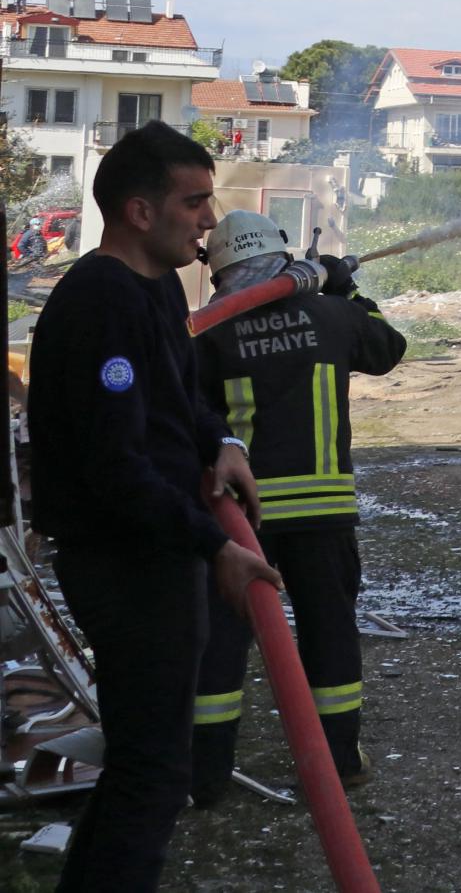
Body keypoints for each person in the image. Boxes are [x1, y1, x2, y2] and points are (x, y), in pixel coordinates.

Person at [25, 123, 279, 892]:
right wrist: (215, 545)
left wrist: (222, 439)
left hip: (161, 554)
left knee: (149, 766)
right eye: (194, 201)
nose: (209, 220)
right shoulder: (100, 301)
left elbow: (181, 399)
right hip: (125, 563)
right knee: (156, 769)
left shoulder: (160, 286)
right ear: (140, 211)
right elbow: (117, 466)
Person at [190, 210, 406, 801]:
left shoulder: (208, 332)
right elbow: (389, 347)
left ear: (221, 270)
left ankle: (204, 777)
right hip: (323, 514)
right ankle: (338, 766)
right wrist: (346, 287)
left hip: (240, 520)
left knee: (221, 645)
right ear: (282, 258)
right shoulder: (333, 315)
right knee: (329, 634)